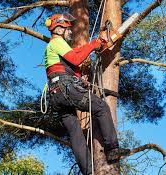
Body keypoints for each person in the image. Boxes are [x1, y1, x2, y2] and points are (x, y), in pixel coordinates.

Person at [44, 13, 129, 175]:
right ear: (59, 28)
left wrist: (79, 80)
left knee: (75, 133)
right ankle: (112, 149)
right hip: (65, 88)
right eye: (68, 28)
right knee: (101, 107)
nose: (70, 32)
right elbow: (76, 59)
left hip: (56, 95)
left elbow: (65, 68)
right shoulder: (57, 42)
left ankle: (88, 172)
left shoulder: (52, 49)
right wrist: (95, 43)